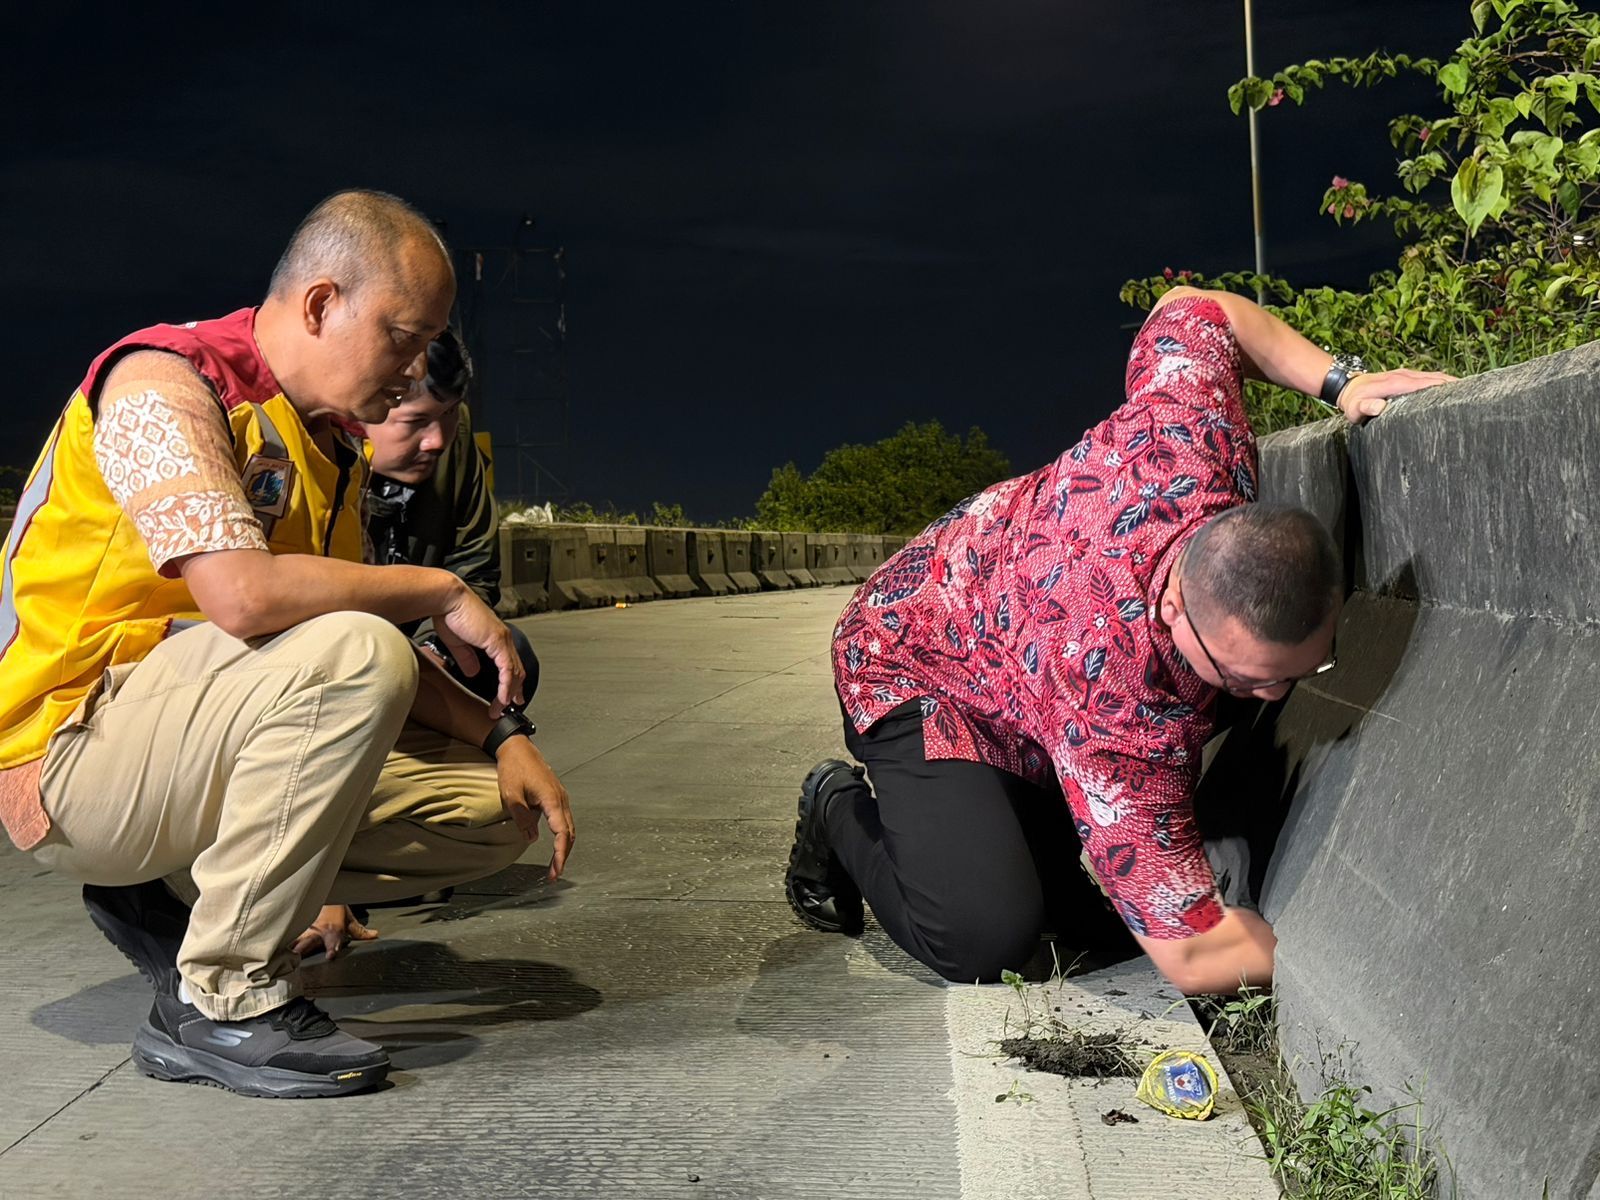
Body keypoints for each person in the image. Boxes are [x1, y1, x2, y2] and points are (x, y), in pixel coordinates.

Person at [0, 190, 575, 1098]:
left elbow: (330, 653)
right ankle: (223, 1000)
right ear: (320, 304)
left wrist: (503, 736)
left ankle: (206, 902)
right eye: (402, 335)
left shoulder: (324, 445)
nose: (415, 367)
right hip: (71, 753)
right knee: (360, 649)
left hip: (185, 733)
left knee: (489, 814)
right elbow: (247, 598)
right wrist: (440, 588)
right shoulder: (164, 383)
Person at [785, 286, 1453, 995]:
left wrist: (1343, 382)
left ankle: (1023, 804)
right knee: (988, 938)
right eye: (1248, 674)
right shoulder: (1111, 691)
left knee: (1086, 926)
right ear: (1172, 606)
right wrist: (1305, 962)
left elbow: (1196, 310)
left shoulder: (1191, 440)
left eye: (1298, 671)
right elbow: (1198, 957)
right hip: (915, 658)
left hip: (1017, 643)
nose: (1275, 696)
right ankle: (833, 803)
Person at [362, 326, 541, 705]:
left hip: (421, 644)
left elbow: (475, 564)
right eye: (415, 422)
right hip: (340, 651)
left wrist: (435, 648)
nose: (438, 440)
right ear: (363, 405)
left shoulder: (453, 444)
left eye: (448, 414)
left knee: (509, 658)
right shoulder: (312, 450)